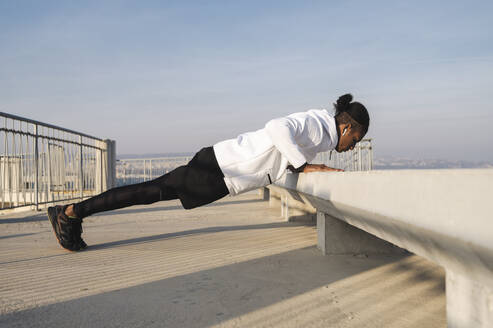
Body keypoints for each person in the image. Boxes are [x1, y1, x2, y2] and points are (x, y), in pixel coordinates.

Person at [47, 94, 370, 251]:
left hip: (221, 169)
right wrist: (302, 165)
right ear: (346, 127)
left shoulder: (320, 130)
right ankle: (71, 213)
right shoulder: (317, 126)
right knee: (147, 192)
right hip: (219, 168)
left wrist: (300, 164)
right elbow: (276, 127)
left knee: (149, 193)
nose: (353, 147)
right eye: (355, 140)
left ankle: (72, 213)